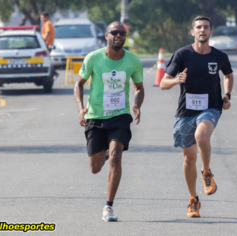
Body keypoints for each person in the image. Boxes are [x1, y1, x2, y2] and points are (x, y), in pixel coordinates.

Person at [160, 16, 234, 218]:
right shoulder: (182, 54)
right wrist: (176, 80)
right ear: (193, 32)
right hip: (186, 111)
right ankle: (193, 199)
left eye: (206, 27)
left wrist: (227, 95)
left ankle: (207, 172)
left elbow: (228, 75)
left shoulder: (219, 56)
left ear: (211, 32)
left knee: (202, 137)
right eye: (198, 27)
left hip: (211, 107)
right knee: (188, 159)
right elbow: (163, 83)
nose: (202, 30)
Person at [74, 21, 145, 222]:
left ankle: (108, 207)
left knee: (116, 156)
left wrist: (137, 105)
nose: (118, 36)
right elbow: (78, 84)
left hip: (120, 116)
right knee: (95, 168)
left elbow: (139, 88)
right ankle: (104, 153)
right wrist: (81, 109)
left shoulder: (133, 61)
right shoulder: (93, 58)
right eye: (114, 32)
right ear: (106, 36)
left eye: (122, 33)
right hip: (95, 117)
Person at [40, 12, 58, 77]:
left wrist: (43, 41)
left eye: (42, 17)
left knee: (46, 59)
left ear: (47, 17)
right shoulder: (48, 23)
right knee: (47, 59)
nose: (41, 19)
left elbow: (47, 33)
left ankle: (53, 72)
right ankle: (53, 72)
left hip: (47, 44)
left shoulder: (47, 23)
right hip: (48, 44)